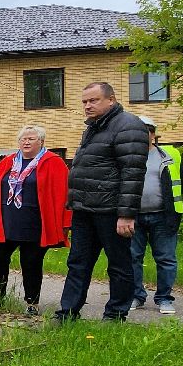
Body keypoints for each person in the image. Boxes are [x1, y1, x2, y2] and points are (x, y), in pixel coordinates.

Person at [55, 82, 150, 321]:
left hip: (111, 211)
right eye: (85, 102)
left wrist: (126, 214)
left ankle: (116, 314)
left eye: (93, 100)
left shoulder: (129, 126)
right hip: (84, 209)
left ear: (111, 99)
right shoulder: (94, 128)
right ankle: (67, 312)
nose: (87, 106)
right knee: (77, 263)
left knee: (118, 265)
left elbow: (132, 172)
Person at [0, 125, 70, 315]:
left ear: (41, 141)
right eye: (23, 139)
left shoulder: (53, 162)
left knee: (31, 264)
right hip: (4, 222)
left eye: (31, 139)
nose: (26, 142)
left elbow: (64, 195)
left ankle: (32, 303)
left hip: (34, 224)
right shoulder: (8, 162)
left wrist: (66, 223)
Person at [129, 118, 183, 315]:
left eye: (143, 131)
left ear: (153, 135)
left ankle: (164, 298)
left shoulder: (170, 154)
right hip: (132, 216)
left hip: (163, 216)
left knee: (166, 258)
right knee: (132, 257)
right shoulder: (126, 156)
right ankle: (136, 296)